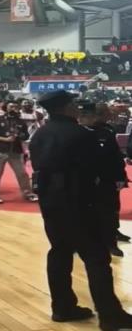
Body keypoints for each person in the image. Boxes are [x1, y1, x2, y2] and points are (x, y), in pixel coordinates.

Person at [30, 90, 132, 331]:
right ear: (66, 107)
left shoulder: (40, 134)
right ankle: (110, 314)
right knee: (97, 258)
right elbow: (98, 169)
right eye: (73, 103)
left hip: (51, 203)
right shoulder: (81, 135)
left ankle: (62, 307)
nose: (77, 107)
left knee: (59, 253)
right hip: (80, 203)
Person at [78, 102, 128, 257]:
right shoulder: (76, 133)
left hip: (107, 179)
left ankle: (111, 242)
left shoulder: (107, 131)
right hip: (85, 180)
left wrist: (121, 176)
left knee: (110, 211)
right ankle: (80, 242)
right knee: (83, 212)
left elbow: (116, 156)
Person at [0, 100, 38, 204]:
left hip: (15, 151)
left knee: (22, 173)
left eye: (16, 107)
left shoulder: (20, 122)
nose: (14, 108)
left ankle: (28, 193)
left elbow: (26, 135)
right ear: (6, 107)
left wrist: (20, 135)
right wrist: (5, 139)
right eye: (11, 106)